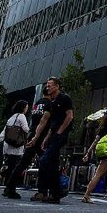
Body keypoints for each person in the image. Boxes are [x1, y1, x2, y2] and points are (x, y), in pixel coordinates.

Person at [6, 86, 52, 201]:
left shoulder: (37, 104)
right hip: (41, 136)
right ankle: (42, 191)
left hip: (32, 134)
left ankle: (10, 187)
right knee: (44, 163)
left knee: (23, 162)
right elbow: (44, 121)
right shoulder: (49, 104)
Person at [37, 76, 73, 204]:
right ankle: (55, 193)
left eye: (50, 85)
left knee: (45, 160)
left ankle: (53, 191)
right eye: (47, 85)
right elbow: (52, 124)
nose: (48, 87)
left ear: (57, 86)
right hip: (53, 135)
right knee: (52, 163)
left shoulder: (64, 98)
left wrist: (60, 131)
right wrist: (46, 138)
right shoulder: (51, 103)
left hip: (61, 135)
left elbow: (69, 116)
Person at [0, 100, 30, 198]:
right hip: (16, 147)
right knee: (15, 168)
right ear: (22, 108)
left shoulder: (11, 118)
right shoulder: (22, 116)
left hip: (7, 146)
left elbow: (3, 133)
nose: (27, 109)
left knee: (11, 168)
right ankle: (9, 189)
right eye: (26, 107)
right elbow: (26, 129)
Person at [81, 108, 107, 203]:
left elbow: (95, 141)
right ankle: (86, 196)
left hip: (102, 153)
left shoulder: (102, 127)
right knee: (98, 174)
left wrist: (88, 153)